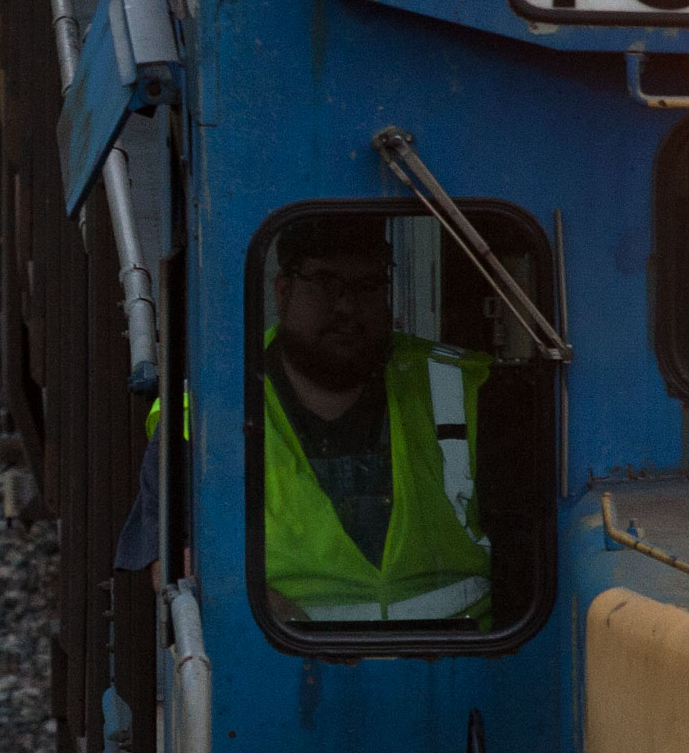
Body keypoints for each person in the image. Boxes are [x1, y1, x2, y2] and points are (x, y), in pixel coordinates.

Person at [115, 216, 493, 625]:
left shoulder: (461, 387)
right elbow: (173, 562)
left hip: (464, 673)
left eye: (368, 286)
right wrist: (275, 623)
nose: (348, 306)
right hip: (290, 678)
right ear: (282, 291)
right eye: (326, 283)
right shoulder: (207, 412)